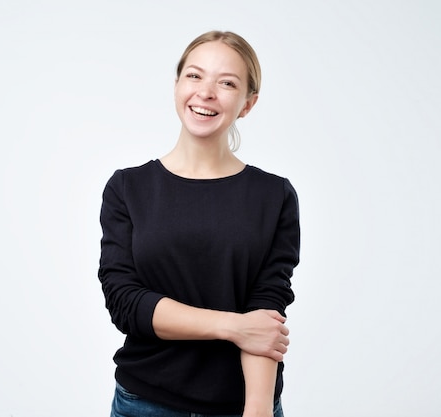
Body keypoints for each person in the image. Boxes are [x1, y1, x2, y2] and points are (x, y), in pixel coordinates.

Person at [98, 30, 300, 417]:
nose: (206, 92)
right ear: (177, 85)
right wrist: (233, 326)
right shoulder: (128, 187)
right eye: (194, 76)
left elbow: (267, 308)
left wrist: (256, 408)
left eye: (226, 83)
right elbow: (125, 302)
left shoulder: (274, 196)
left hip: (242, 403)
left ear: (247, 104)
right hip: (145, 402)